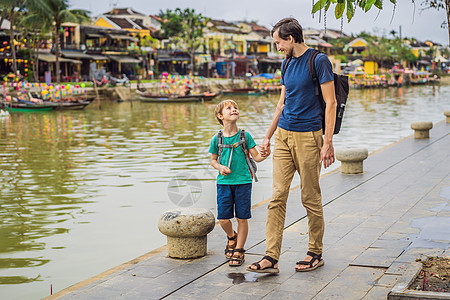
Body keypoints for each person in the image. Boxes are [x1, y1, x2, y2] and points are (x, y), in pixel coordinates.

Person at [247, 17, 336, 273]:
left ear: (291, 38)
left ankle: (314, 252)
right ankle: (271, 257)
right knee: (276, 197)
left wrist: (327, 142)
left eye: (278, 42)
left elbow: (330, 103)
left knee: (310, 196)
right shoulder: (285, 64)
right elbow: (281, 103)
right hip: (283, 136)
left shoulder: (318, 61)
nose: (277, 48)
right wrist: (267, 135)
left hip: (309, 136)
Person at [209, 99, 267, 267]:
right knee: (223, 219)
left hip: (243, 182)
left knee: (242, 217)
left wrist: (265, 154)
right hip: (224, 182)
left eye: (235, 107)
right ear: (221, 116)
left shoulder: (245, 136)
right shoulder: (217, 138)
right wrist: (220, 167)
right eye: (229, 108)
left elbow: (257, 157)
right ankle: (231, 236)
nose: (234, 109)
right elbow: (213, 160)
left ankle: (239, 249)